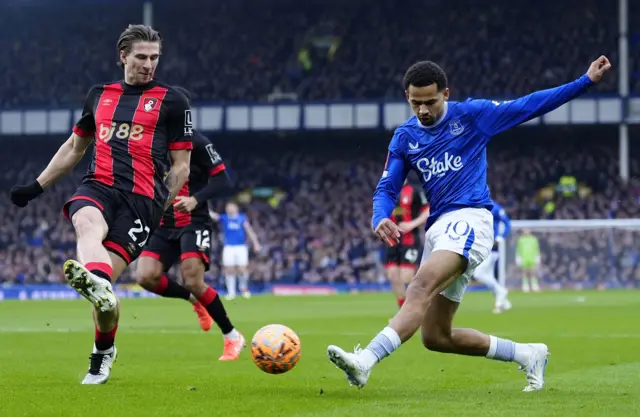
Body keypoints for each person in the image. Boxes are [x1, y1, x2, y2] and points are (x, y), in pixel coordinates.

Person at [327, 56, 611, 391]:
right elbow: (387, 186)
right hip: (438, 229)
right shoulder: (404, 137)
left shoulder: (472, 115)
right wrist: (380, 216)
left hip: (471, 219)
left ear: (446, 93)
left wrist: (585, 81)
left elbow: (527, 106)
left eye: (430, 102)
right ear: (407, 97)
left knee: (417, 288)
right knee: (436, 337)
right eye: (416, 103)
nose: (423, 111)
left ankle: (365, 361)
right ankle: (527, 354)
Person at [9, 24, 194, 385]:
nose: (148, 65)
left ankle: (103, 351)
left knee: (104, 305)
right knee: (87, 222)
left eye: (154, 58)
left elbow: (182, 166)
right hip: (99, 185)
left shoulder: (173, 101)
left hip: (143, 201)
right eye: (141, 57)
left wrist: (162, 207)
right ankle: (99, 281)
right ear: (123, 57)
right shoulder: (99, 95)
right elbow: (75, 149)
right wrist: (36, 186)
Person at [136, 86, 245, 361]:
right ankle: (194, 301)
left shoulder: (197, 142)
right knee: (145, 277)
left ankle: (232, 335)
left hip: (193, 220)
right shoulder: (151, 144)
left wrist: (196, 199)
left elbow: (223, 180)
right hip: (164, 222)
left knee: (192, 278)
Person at [384, 179, 429, 308]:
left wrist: (411, 224)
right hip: (392, 240)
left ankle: (417, 307)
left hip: (410, 240)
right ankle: (403, 311)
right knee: (393, 276)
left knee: (406, 277)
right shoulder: (387, 192)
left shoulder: (415, 191)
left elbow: (428, 210)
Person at [209, 203, 261, 300]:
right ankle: (231, 292)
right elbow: (214, 216)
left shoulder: (242, 218)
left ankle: (243, 288)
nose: (229, 209)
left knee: (242, 269)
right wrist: (203, 207)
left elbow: (249, 230)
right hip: (228, 247)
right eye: (228, 207)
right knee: (229, 269)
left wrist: (255, 243)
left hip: (240, 247)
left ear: (236, 208)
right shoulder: (224, 218)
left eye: (231, 207)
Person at [472, 199, 512, 313]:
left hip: (491, 245)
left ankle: (501, 291)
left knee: (479, 274)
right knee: (489, 276)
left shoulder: (495, 207)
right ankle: (504, 302)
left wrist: (500, 237)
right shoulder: (475, 206)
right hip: (481, 244)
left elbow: (507, 222)